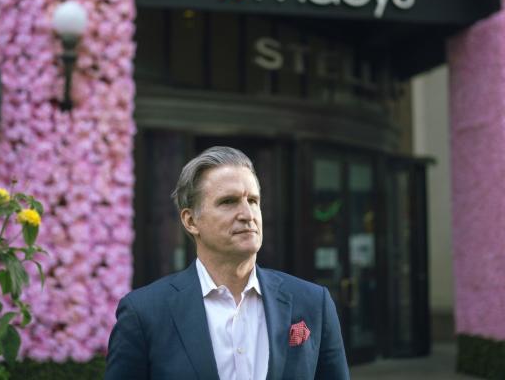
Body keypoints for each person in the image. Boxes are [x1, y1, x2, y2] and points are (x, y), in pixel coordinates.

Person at [105, 146, 349, 380]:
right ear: (190, 221)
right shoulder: (144, 313)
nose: (247, 214)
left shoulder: (313, 303)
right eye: (228, 202)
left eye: (253, 200)